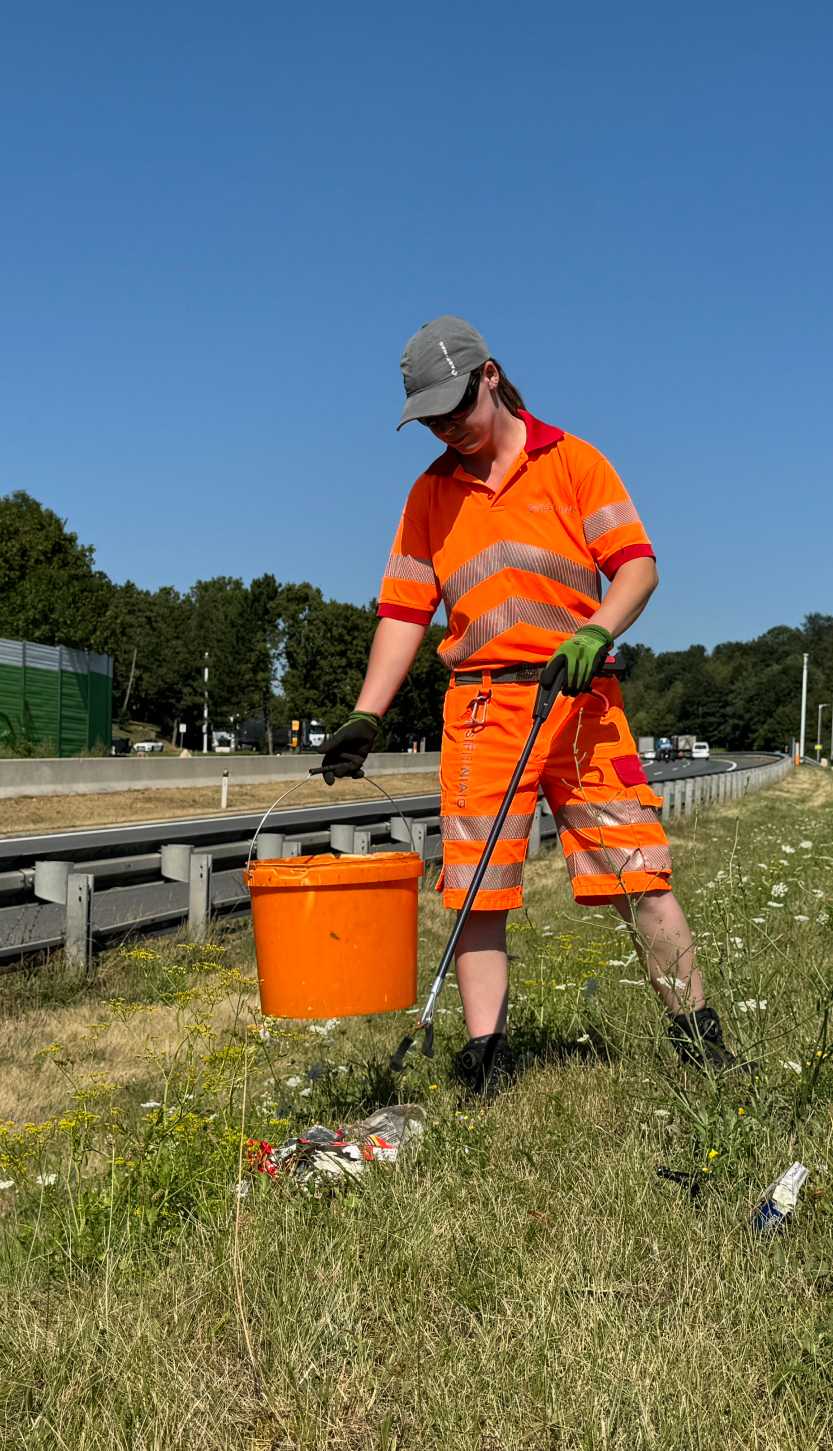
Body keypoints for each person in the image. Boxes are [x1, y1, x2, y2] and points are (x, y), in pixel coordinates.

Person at [318, 315, 741, 1097]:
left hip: (583, 703)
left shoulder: (573, 463)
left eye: (455, 409)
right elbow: (404, 613)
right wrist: (367, 715)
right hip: (482, 713)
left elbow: (638, 568)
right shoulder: (429, 495)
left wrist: (595, 632)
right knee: (478, 889)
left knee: (639, 873)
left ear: (491, 376)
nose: (447, 429)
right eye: (431, 421)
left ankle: (700, 1045)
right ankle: (487, 1061)